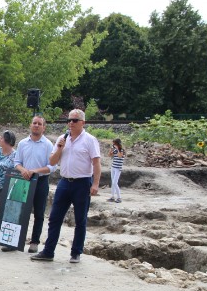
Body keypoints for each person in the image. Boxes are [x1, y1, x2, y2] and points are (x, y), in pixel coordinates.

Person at [31, 109, 101, 263]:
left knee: (80, 219)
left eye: (74, 120)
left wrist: (95, 183)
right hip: (64, 182)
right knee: (55, 218)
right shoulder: (62, 139)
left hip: (82, 182)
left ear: (83, 122)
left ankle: (76, 252)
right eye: (68, 120)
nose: (71, 123)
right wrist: (60, 148)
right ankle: (48, 251)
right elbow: (52, 161)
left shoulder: (90, 140)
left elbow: (96, 162)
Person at [13, 116, 56, 253]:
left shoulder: (48, 145)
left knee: (39, 212)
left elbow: (52, 167)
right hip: (23, 180)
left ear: (44, 127)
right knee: (19, 211)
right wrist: (23, 170)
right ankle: (14, 240)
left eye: (39, 124)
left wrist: (35, 171)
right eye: (34, 123)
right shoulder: (22, 143)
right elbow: (16, 162)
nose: (36, 125)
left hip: (40, 181)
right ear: (30, 125)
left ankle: (34, 242)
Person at [108, 138, 125, 203]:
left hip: (118, 168)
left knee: (115, 182)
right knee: (113, 182)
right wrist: (111, 150)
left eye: (114, 143)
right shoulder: (115, 150)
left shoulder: (121, 150)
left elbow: (120, 156)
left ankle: (119, 197)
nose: (113, 145)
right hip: (113, 167)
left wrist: (117, 149)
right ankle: (112, 196)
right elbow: (109, 155)